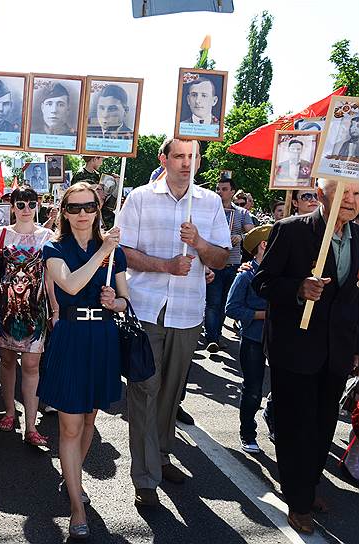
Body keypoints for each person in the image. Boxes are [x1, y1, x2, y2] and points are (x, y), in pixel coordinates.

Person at [116, 138, 230, 507]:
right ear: (163, 159)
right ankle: (144, 477)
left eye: (192, 156)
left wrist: (199, 244)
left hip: (187, 312)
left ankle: (162, 456)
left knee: (171, 392)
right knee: (144, 390)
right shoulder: (139, 199)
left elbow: (222, 259)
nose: (186, 163)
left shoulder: (210, 203)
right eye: (179, 155)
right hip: (146, 308)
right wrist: (165, 265)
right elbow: (123, 253)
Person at [253, 178, 359, 534]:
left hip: (337, 352)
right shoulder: (291, 230)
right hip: (295, 348)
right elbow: (262, 282)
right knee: (296, 426)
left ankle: (306, 487)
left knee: (323, 426)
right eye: (345, 190)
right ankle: (298, 502)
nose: (351, 200)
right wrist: (297, 288)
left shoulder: (358, 238)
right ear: (320, 189)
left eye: (358, 194)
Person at [40, 183, 128, 540]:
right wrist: (103, 249)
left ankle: (71, 478)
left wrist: (114, 302)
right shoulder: (54, 248)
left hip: (103, 338)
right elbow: (71, 286)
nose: (81, 214)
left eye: (88, 207)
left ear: (99, 208)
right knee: (70, 426)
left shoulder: (114, 252)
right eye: (73, 208)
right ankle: (77, 505)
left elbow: (126, 300)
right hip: (71, 338)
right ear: (64, 211)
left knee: (89, 419)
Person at [0, 185, 54, 445]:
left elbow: (51, 276)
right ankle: (9, 411)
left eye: (31, 203)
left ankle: (31, 425)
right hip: (4, 309)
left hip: (35, 309)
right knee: (6, 362)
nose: (26, 209)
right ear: (12, 206)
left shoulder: (48, 236)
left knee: (31, 365)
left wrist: (56, 309)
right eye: (21, 204)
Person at [224, 225, 271, 454]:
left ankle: (273, 421)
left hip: (279, 340)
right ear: (263, 245)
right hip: (253, 338)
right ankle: (248, 433)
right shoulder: (245, 275)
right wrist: (261, 315)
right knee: (253, 388)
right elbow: (231, 308)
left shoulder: (281, 274)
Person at [204, 177, 254, 353]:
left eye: (224, 189)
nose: (220, 192)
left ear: (233, 192)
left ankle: (215, 334)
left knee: (225, 302)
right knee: (212, 303)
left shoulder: (241, 213)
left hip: (232, 264)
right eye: (218, 189)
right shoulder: (209, 211)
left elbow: (253, 233)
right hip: (213, 263)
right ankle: (212, 337)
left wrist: (241, 237)